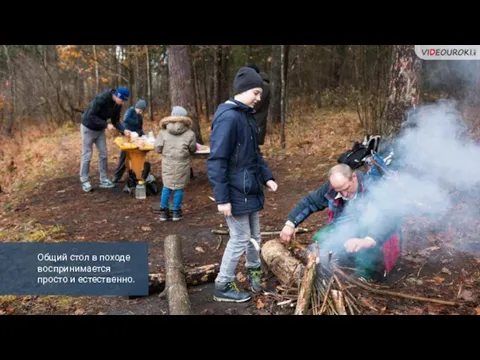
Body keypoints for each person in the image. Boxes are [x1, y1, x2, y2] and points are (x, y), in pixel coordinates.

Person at [207, 66, 278, 303]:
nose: (259, 98)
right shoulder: (229, 117)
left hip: (250, 188)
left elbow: (254, 154)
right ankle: (223, 284)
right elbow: (217, 159)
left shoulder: (245, 115)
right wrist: (222, 198)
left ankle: (254, 272)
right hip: (235, 191)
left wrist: (267, 177)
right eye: (256, 92)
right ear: (244, 89)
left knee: (254, 235)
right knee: (239, 238)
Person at [279, 163, 402, 282]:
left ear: (353, 177)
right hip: (348, 227)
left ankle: (366, 275)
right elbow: (310, 202)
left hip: (377, 234)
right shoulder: (332, 189)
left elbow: (389, 218)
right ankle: (336, 262)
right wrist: (290, 224)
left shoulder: (374, 186)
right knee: (320, 237)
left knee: (366, 230)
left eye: (346, 188)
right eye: (339, 191)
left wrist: (368, 240)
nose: (344, 194)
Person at [79, 87, 131, 192]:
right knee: (87, 155)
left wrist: (124, 130)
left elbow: (115, 120)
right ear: (117, 96)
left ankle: (103, 179)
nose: (123, 103)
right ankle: (84, 181)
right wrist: (106, 125)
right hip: (88, 127)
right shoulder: (101, 98)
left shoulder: (117, 105)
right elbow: (90, 116)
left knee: (103, 154)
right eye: (123, 100)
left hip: (100, 129)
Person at [154, 106, 196, 221]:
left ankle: (163, 212)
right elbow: (192, 149)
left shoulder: (163, 132)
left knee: (166, 187)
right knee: (179, 188)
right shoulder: (190, 133)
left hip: (167, 163)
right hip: (182, 164)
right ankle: (176, 212)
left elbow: (157, 148)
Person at [112, 99, 147, 184]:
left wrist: (143, 135)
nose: (140, 112)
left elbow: (140, 128)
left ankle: (137, 175)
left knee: (137, 156)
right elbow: (126, 120)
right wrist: (136, 123)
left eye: (142, 111)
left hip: (136, 138)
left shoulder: (139, 116)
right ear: (137, 107)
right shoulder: (130, 111)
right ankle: (116, 177)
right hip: (127, 137)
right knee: (124, 156)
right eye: (140, 110)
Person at [247, 64, 270, 146]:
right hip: (254, 121)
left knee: (253, 148)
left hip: (257, 121)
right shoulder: (258, 84)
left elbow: (256, 105)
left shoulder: (263, 86)